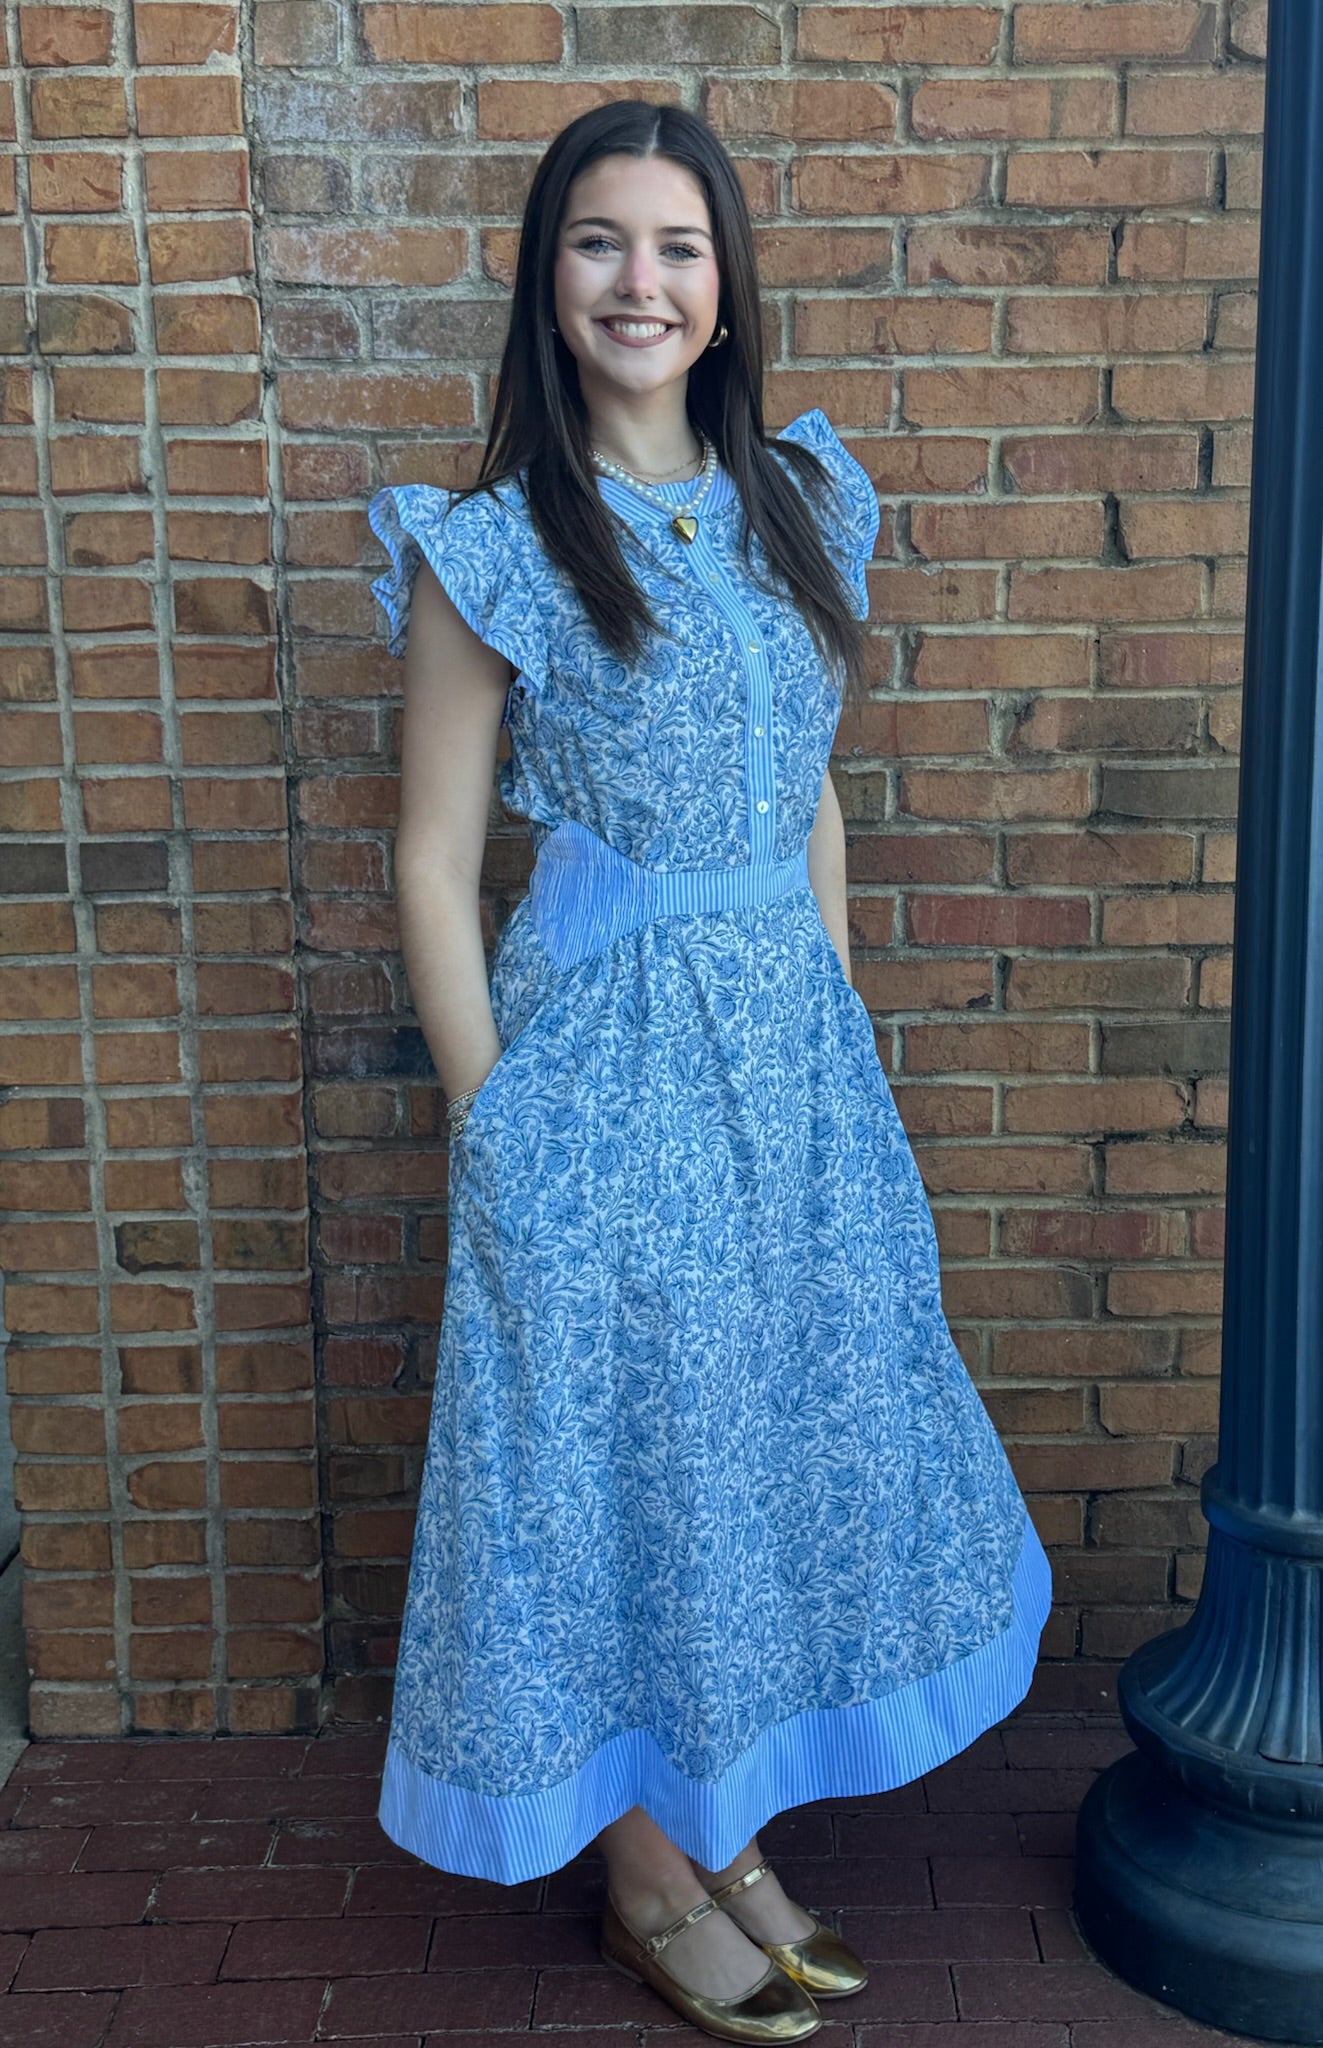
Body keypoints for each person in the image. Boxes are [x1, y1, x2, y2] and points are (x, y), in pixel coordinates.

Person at [367, 98, 1054, 2045]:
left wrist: (829, 1022)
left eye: (674, 244)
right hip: (601, 1070)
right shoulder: (491, 547)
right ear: (548, 276)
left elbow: (813, 793)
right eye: (598, 242)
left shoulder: (797, 503)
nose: (639, 280)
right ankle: (648, 1870)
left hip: (787, 1071)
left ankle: (728, 1817)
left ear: (728, 279)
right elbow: (429, 856)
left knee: (758, 1436)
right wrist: (493, 1115)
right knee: (636, 1447)